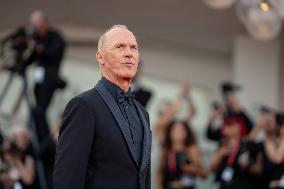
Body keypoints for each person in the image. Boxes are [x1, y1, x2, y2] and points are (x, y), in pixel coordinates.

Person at [53, 25, 151, 189]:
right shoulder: (84, 106)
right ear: (100, 57)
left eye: (133, 47)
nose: (129, 53)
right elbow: (67, 178)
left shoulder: (142, 113)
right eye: (120, 46)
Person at [23, 10, 66, 143]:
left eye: (37, 24)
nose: (35, 28)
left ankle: (45, 139)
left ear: (44, 23)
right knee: (37, 110)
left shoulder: (55, 36)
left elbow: (53, 54)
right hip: (39, 79)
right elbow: (31, 58)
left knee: (41, 110)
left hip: (50, 78)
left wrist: (39, 48)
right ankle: (40, 135)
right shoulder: (36, 38)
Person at [157, 121, 207, 189]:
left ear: (187, 132)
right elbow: (160, 172)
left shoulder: (192, 150)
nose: (179, 131)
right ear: (170, 132)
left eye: (182, 129)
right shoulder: (166, 150)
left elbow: (204, 174)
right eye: (175, 129)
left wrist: (192, 169)